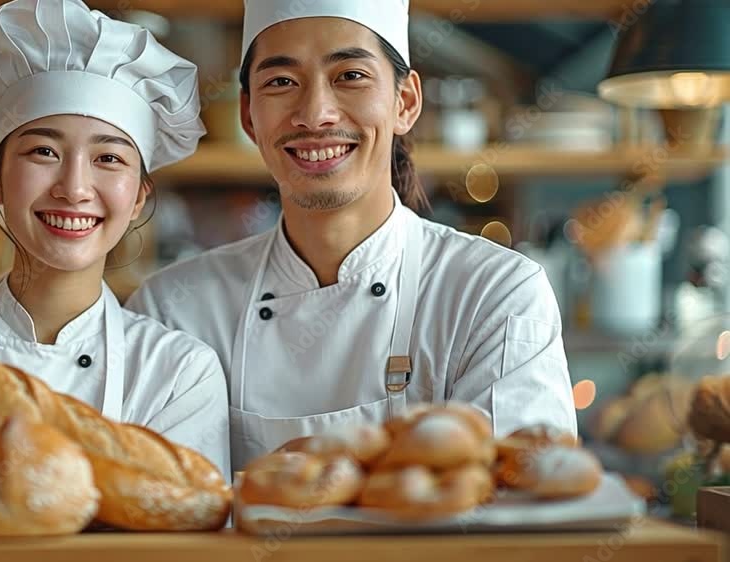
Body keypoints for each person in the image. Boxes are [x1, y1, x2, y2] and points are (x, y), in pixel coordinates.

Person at [126, 0, 577, 472]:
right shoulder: (173, 310)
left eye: (350, 76)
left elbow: (522, 514)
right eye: (281, 82)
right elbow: (161, 522)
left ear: (405, 102)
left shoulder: (496, 293)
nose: (316, 114)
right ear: (248, 117)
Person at [0, 0, 229, 479]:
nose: (73, 189)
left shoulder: (175, 374)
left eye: (109, 159)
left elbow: (181, 546)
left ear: (138, 197)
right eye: (43, 151)